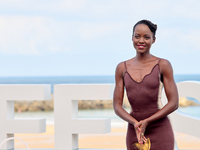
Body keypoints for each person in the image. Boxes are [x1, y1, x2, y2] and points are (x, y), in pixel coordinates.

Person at [113, 19, 179, 150]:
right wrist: (135, 123)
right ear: (132, 38)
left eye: (146, 37)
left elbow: (174, 103)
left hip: (160, 129)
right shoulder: (122, 68)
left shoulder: (163, 65)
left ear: (153, 40)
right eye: (137, 36)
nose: (141, 41)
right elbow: (117, 106)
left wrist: (147, 121)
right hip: (135, 131)